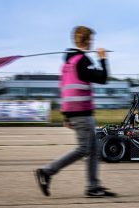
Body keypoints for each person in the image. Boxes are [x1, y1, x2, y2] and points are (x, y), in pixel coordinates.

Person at [35, 26, 116, 197]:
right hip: (82, 113)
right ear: (86, 41)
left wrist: (66, 115)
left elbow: (64, 89)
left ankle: (93, 187)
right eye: (91, 40)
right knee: (84, 149)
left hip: (76, 112)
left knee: (93, 149)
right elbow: (102, 78)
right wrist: (102, 59)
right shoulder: (82, 60)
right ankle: (47, 171)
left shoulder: (67, 63)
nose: (92, 43)